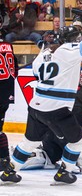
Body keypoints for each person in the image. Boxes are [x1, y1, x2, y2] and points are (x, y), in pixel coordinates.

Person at [0, 4, 82, 184]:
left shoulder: (45, 53)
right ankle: (64, 172)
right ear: (69, 41)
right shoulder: (68, 51)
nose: (78, 40)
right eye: (76, 38)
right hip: (57, 108)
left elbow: (40, 69)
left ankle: (9, 172)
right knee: (79, 140)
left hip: (35, 106)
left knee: (29, 141)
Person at [21, 72, 82, 173]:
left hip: (49, 142)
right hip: (72, 140)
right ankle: (78, 157)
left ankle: (44, 156)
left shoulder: (47, 92)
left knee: (48, 146)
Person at [0, 16, 18, 171]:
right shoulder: (8, 45)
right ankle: (4, 160)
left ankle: (4, 161)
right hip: (7, 93)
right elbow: (15, 70)